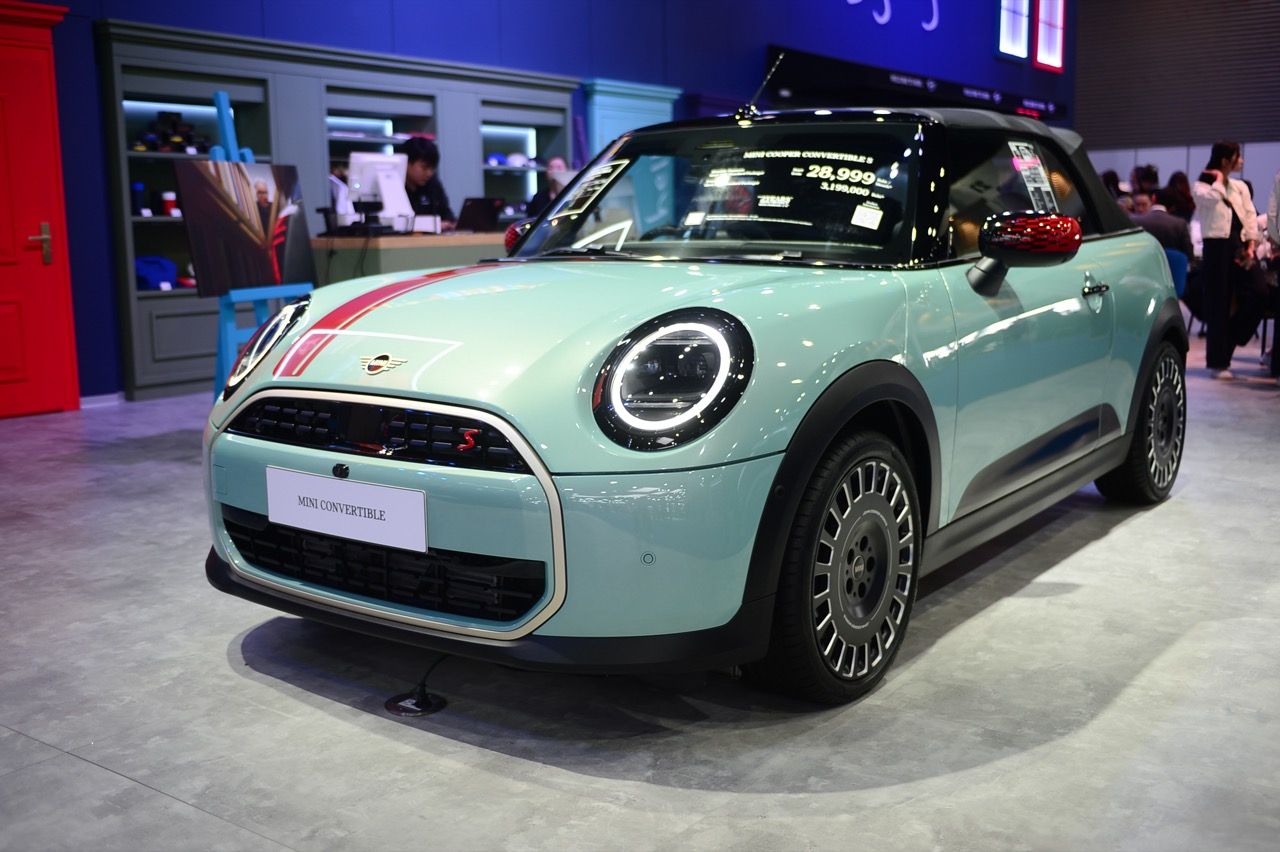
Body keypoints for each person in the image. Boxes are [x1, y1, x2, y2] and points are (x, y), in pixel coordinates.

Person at [1192, 140, 1261, 380]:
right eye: (1237, 156)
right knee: (1217, 302)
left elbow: (1250, 215)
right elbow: (1210, 199)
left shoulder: (1240, 187)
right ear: (1225, 160)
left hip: (1240, 245)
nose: (1241, 160)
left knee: (1258, 292)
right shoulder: (1202, 185)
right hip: (1216, 246)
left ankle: (1231, 336)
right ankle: (1218, 362)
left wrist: (1251, 242)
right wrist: (1219, 180)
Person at [402, 137, 455, 229]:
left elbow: (447, 215)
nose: (429, 173)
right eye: (424, 167)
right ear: (407, 163)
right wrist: (432, 226)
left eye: (432, 168)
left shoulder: (433, 184)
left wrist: (449, 224)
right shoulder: (393, 187)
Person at [1132, 187, 1194, 258]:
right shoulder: (1180, 224)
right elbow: (1188, 253)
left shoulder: (1134, 222)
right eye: (1137, 205)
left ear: (1153, 200)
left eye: (1144, 204)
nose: (1140, 209)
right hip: (1172, 264)